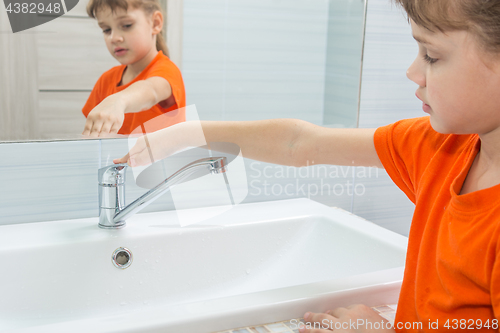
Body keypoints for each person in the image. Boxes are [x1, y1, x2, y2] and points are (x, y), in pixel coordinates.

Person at [114, 0, 500, 331]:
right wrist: (186, 132)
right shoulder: (440, 147)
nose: (413, 72)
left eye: (432, 56)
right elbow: (300, 143)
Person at [81, 0, 186, 137]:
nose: (114, 38)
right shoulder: (105, 81)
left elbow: (151, 90)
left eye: (126, 25)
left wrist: (119, 100)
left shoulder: (167, 71)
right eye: (107, 30)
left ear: (155, 23)